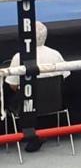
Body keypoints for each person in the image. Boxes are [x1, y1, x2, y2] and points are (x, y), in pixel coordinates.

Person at [5, 21, 70, 152]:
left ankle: (30, 134)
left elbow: (12, 85)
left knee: (10, 95)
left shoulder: (19, 57)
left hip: (28, 105)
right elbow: (65, 76)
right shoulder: (55, 54)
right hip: (54, 102)